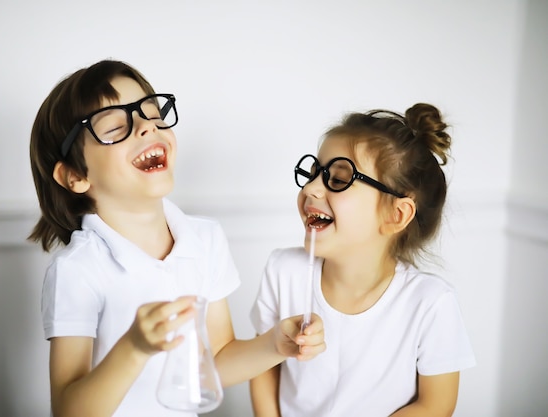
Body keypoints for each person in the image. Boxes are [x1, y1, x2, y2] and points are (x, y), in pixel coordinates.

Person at [28, 59, 325, 417]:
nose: (145, 127)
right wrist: (134, 347)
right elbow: (68, 411)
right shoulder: (77, 270)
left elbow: (215, 360)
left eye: (152, 113)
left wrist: (276, 344)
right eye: (115, 126)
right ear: (75, 175)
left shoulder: (205, 239)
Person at [250, 103, 476, 416]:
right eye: (316, 173)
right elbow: (264, 367)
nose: (311, 188)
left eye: (339, 179)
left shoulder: (430, 303)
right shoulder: (283, 271)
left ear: (396, 215)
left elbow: (435, 404)